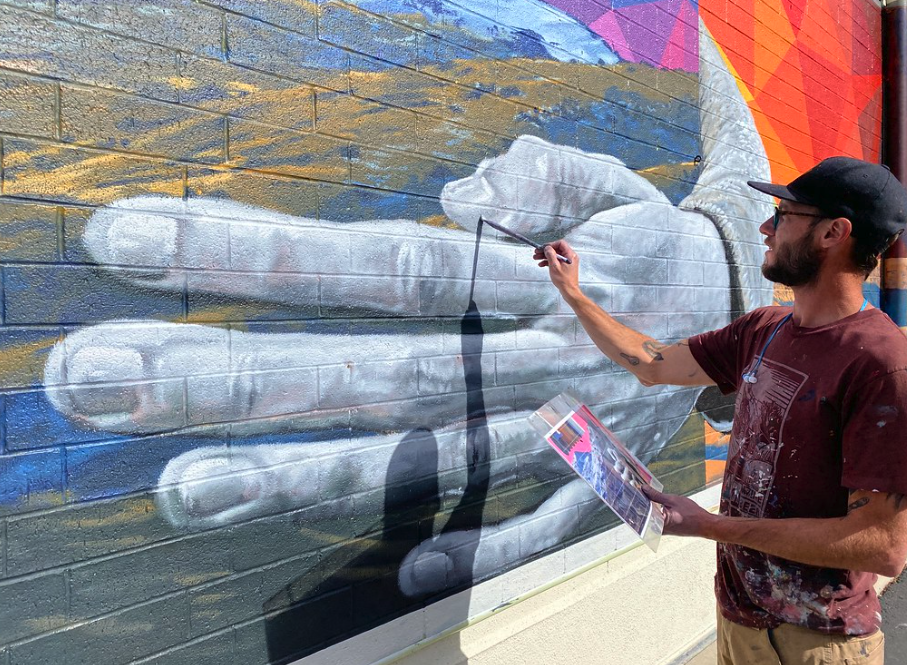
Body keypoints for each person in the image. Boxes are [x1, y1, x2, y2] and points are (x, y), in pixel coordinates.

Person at [535, 156, 907, 665]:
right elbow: (653, 363)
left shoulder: (882, 366)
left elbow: (881, 545)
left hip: (816, 641)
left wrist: (708, 525)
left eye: (783, 214)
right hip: (738, 621)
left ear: (832, 233)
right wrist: (573, 293)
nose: (765, 227)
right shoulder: (763, 329)